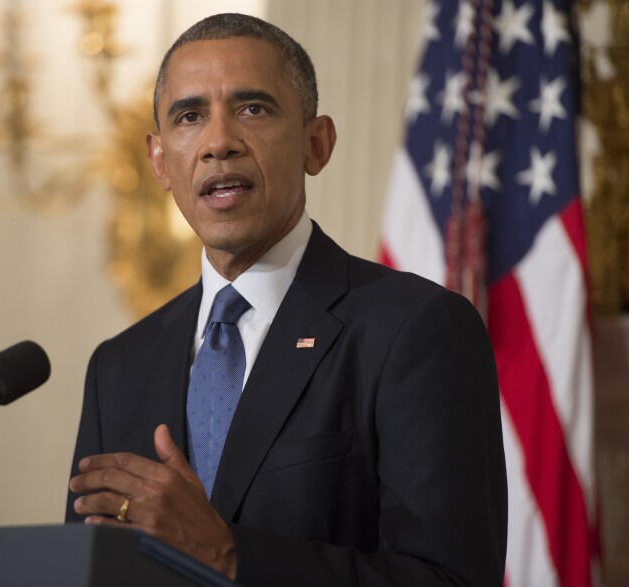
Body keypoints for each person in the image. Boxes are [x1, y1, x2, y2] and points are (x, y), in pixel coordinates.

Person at [66, 13, 507, 586]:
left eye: (253, 109)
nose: (218, 142)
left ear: (316, 144)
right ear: (159, 161)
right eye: (190, 116)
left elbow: (450, 580)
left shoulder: (415, 330)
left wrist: (229, 554)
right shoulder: (118, 367)